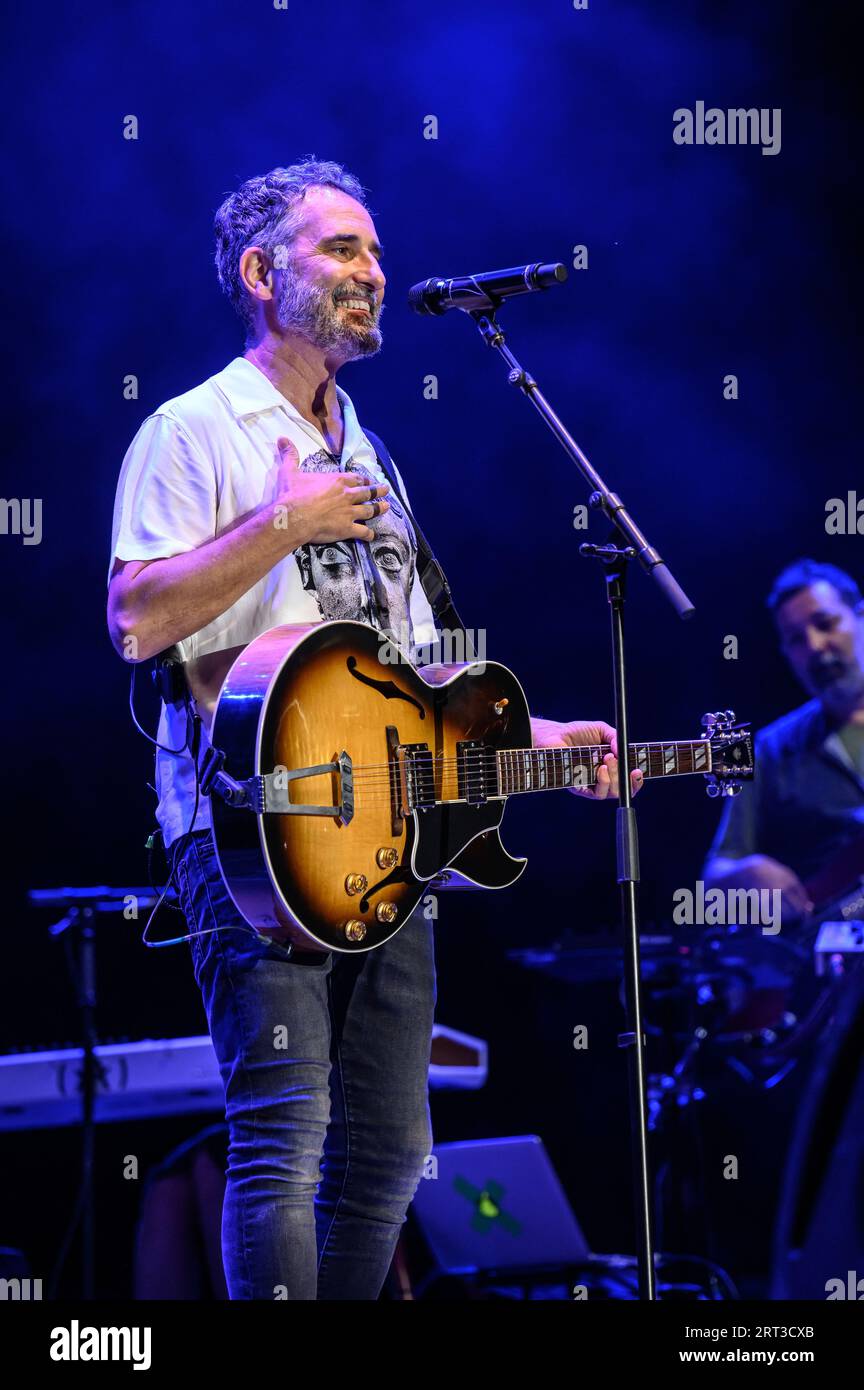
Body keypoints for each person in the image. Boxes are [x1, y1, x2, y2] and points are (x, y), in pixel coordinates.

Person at [106, 158, 642, 1300]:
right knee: (285, 1139)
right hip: (255, 831)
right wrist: (279, 522)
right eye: (341, 250)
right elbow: (137, 616)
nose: (374, 274)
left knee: (394, 1152)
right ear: (260, 273)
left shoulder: (371, 447)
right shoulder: (193, 429)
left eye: (376, 253)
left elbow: (414, 663)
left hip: (391, 834)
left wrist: (543, 734)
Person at [704, 558, 864, 928]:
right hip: (833, 962)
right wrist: (746, 874)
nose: (815, 646)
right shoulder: (770, 749)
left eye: (825, 623)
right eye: (795, 639)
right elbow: (715, 878)